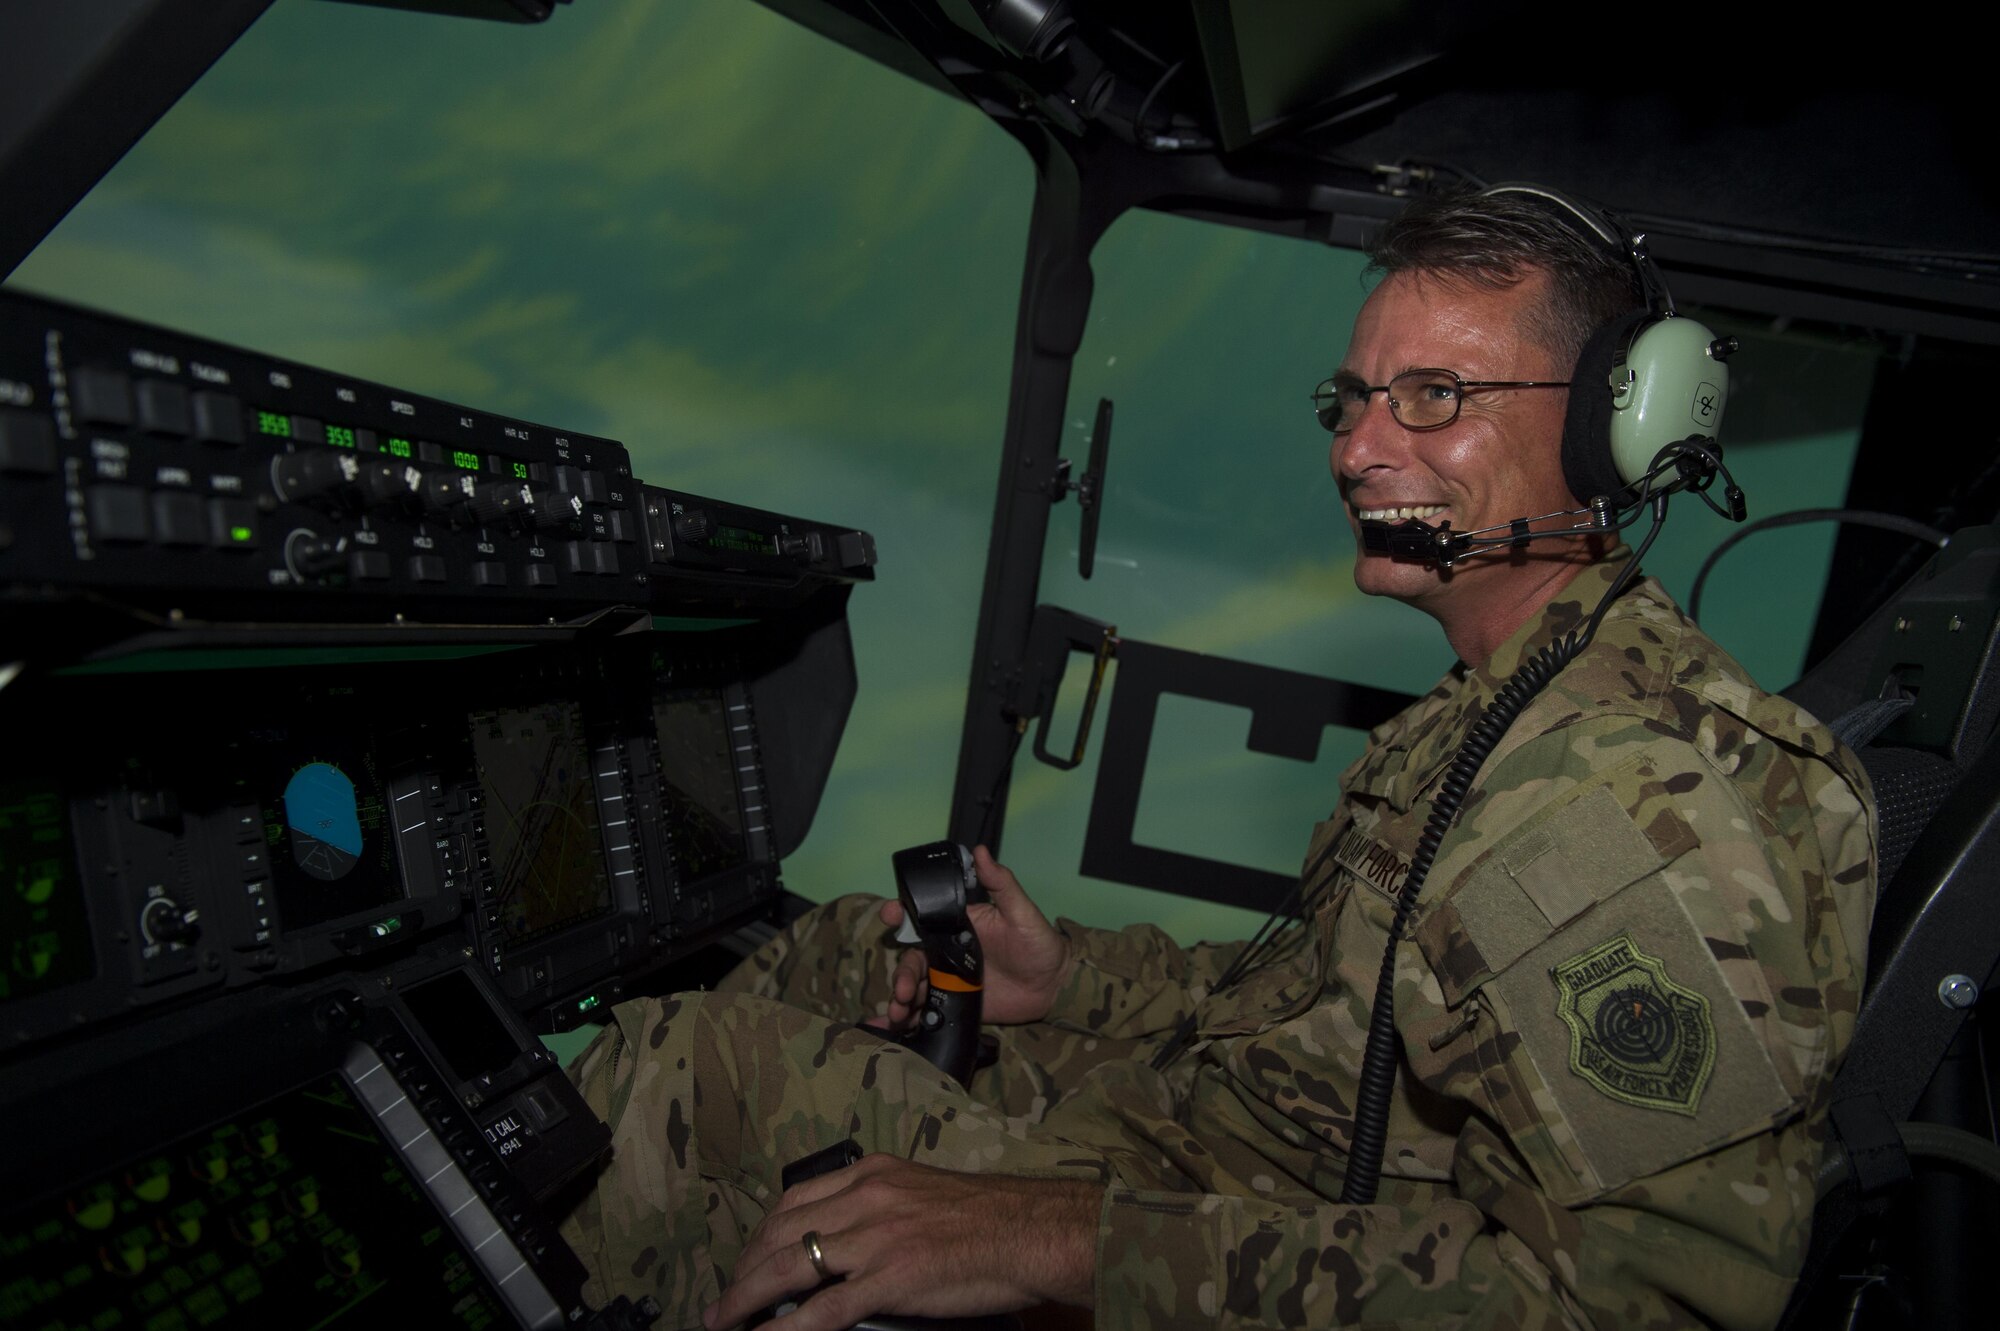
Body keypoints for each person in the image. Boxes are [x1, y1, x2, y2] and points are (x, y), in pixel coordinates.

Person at [556, 188, 1875, 1330]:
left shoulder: (1619, 801)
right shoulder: (1505, 704)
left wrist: (1039, 1236)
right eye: (1352, 401)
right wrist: (1071, 978)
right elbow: (1313, 1013)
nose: (1357, 451)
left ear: (1609, 435)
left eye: (1434, 398)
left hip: (1205, 1238)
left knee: (677, 1061)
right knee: (853, 942)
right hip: (1203, 1149)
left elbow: (1629, 1310)